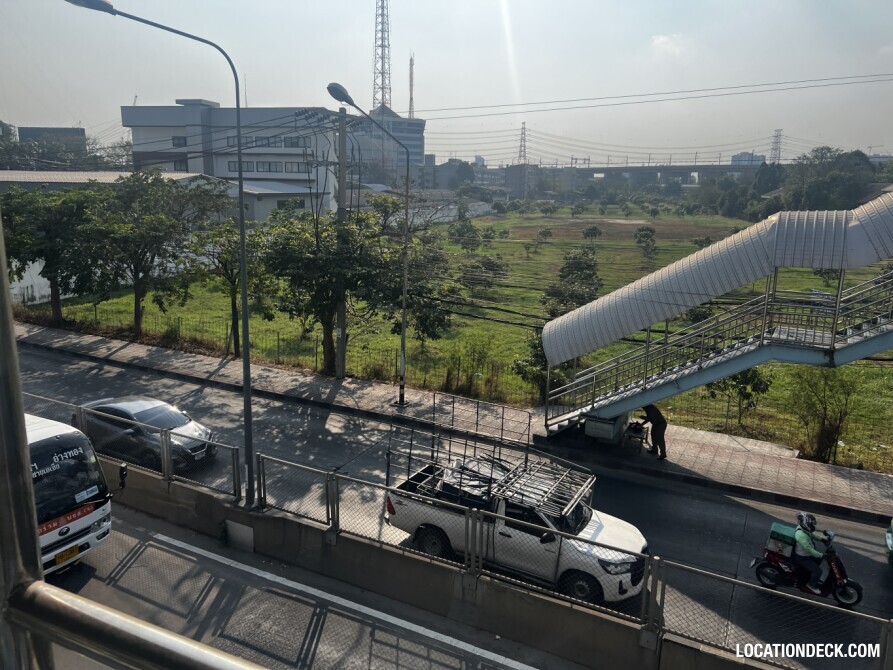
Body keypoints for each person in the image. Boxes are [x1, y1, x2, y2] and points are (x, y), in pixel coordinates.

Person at [792, 512, 828, 594]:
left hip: (806, 555)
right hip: (802, 558)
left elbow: (812, 535)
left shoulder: (804, 529)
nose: (813, 526)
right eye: (811, 524)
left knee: (817, 562)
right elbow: (809, 549)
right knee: (818, 571)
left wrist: (822, 540)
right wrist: (821, 555)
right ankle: (811, 585)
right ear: (806, 525)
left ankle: (811, 577)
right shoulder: (800, 535)